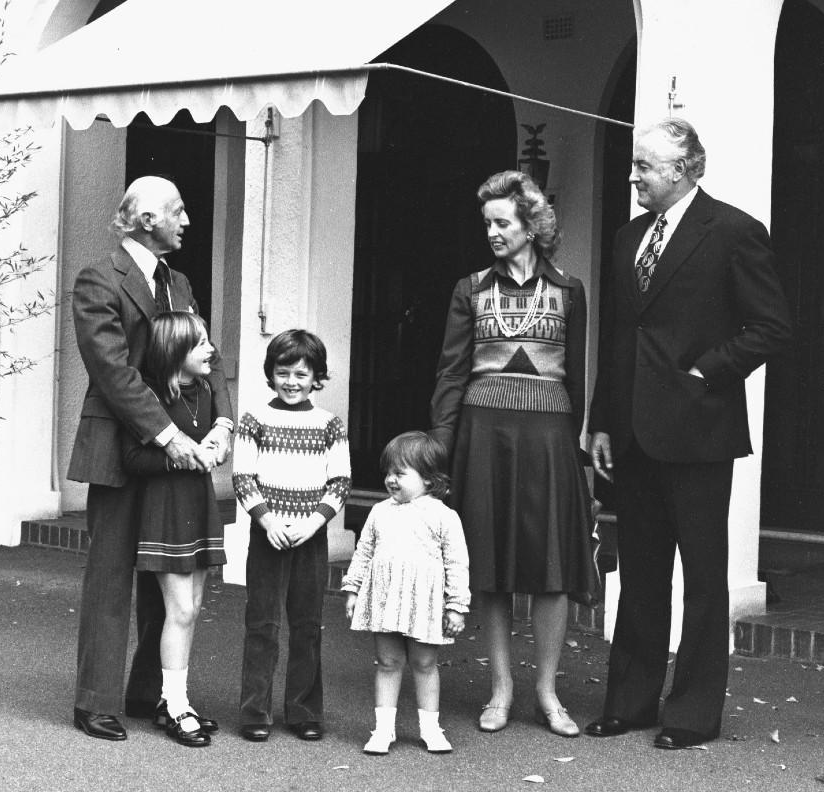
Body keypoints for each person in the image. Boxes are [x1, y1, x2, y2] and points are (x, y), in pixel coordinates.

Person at [585, 118, 792, 750]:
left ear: (681, 169)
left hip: (699, 433)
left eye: (643, 166)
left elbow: (770, 327)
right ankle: (630, 702)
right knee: (641, 575)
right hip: (634, 435)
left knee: (703, 581)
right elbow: (619, 336)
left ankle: (693, 714)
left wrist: (706, 371)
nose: (632, 175)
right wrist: (601, 422)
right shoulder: (627, 239)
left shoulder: (732, 231)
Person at [431, 170, 599, 738]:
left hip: (550, 440)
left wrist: (580, 446)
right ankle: (501, 689)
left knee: (550, 569)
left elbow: (576, 377)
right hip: (484, 438)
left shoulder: (571, 290)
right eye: (488, 224)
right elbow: (451, 374)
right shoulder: (469, 288)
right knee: (492, 567)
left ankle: (548, 693)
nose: (493, 232)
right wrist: (440, 450)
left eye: (503, 222)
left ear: (532, 225)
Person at [68, 176, 234, 741]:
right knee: (113, 575)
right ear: (145, 220)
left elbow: (205, 352)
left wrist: (223, 424)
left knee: (168, 572)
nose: (186, 220)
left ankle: (153, 694)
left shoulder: (180, 281)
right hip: (122, 449)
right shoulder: (98, 278)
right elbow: (112, 371)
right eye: (179, 211)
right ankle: (95, 701)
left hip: (179, 448)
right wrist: (168, 436)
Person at [232, 329, 351, 743]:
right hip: (268, 534)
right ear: (271, 373)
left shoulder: (328, 425)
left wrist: (311, 523)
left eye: (302, 373)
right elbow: (243, 476)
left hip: (309, 537)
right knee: (262, 623)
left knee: (307, 624)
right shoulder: (254, 421)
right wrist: (267, 521)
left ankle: (303, 710)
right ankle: (254, 711)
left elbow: (340, 482)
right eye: (283, 372)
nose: (292, 381)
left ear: (316, 376)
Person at [120, 311, 227, 747]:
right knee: (179, 609)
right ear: (175, 352)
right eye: (200, 344)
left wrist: (218, 443)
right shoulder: (151, 399)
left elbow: (218, 428)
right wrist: (178, 456)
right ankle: (178, 706)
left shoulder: (202, 391)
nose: (211, 350)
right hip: (165, 511)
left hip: (198, 506)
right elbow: (131, 459)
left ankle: (171, 699)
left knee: (193, 608)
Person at [342, 431, 471, 755]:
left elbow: (457, 563)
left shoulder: (444, 516)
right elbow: (363, 552)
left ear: (429, 479)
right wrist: (353, 589)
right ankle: (383, 730)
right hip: (385, 600)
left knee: (425, 663)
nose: (390, 480)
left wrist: (456, 606)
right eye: (388, 472)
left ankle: (431, 729)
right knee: (387, 661)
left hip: (424, 604)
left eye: (400, 473)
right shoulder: (380, 511)